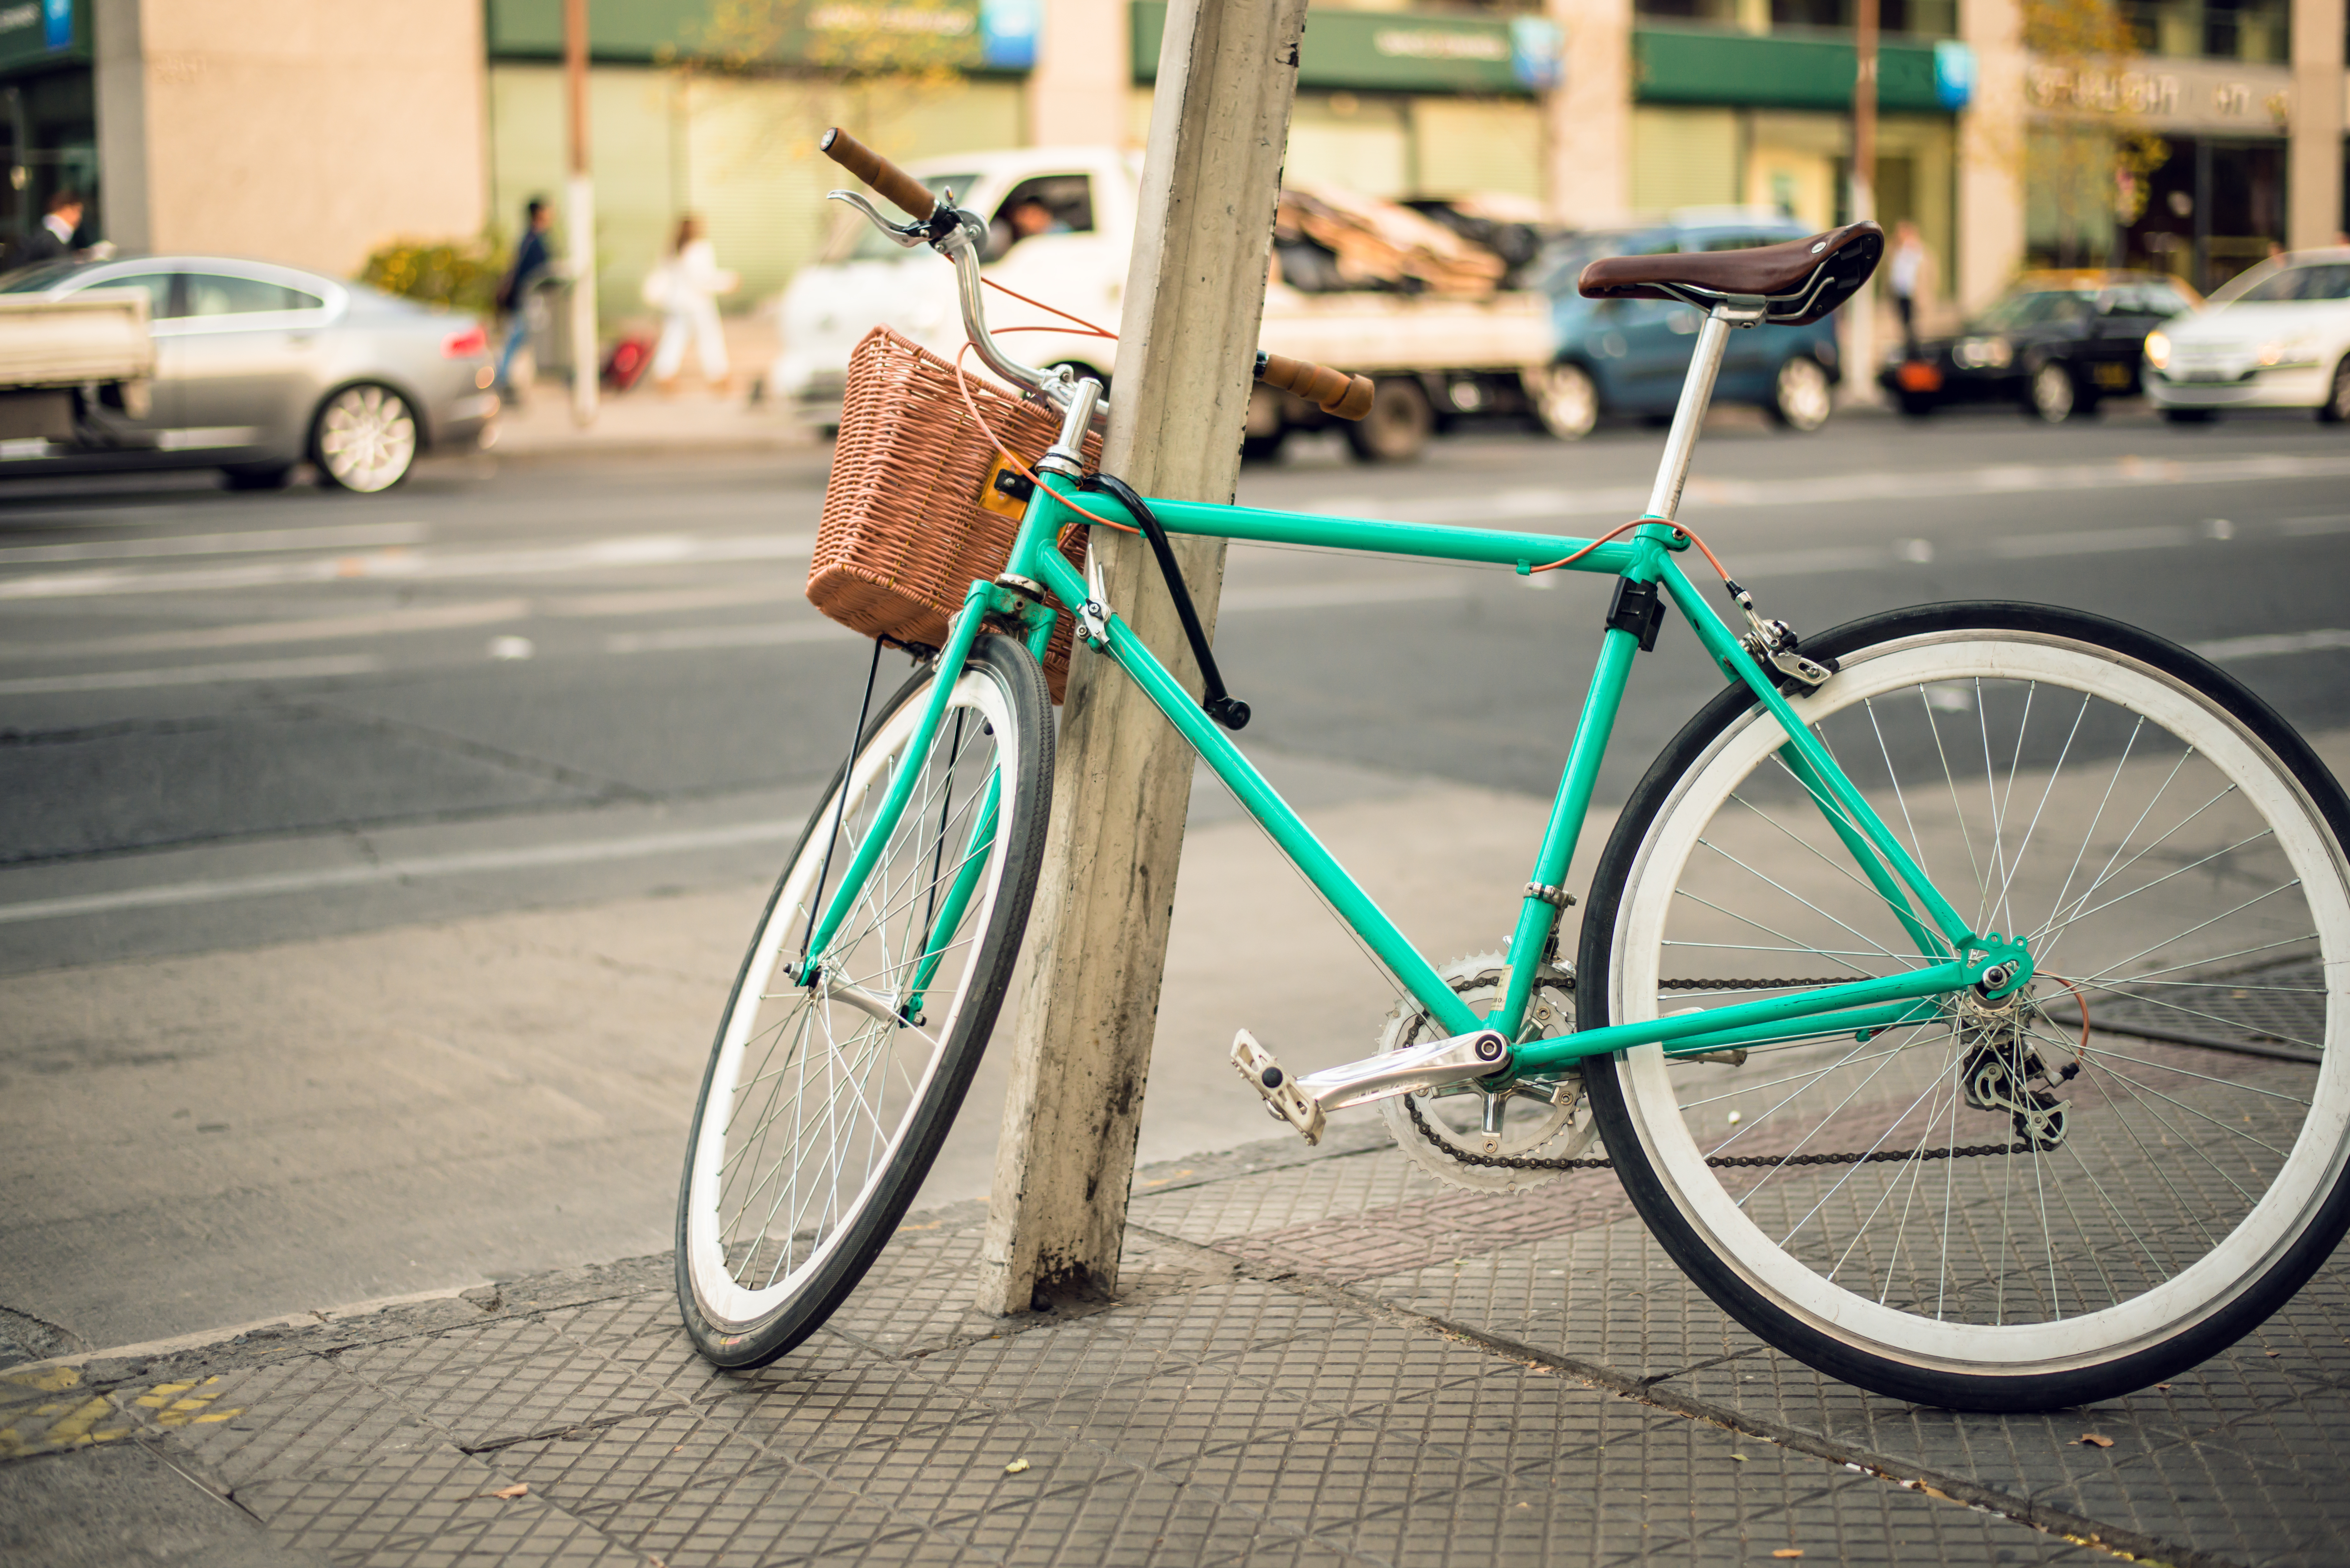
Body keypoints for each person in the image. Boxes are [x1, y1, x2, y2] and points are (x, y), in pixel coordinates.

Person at [645, 215, 737, 395]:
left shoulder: (673, 250)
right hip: (698, 304)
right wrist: (728, 283)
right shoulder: (700, 249)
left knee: (674, 339)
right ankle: (718, 376)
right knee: (710, 339)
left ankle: (665, 375)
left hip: (677, 303)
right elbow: (703, 279)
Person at [494, 197, 556, 399]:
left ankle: (505, 377)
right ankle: (501, 378)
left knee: (519, 338)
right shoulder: (535, 241)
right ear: (539, 214)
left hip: (526, 299)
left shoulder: (529, 239)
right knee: (516, 337)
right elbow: (534, 273)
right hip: (528, 299)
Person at [1887, 219, 1928, 359]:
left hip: (1913, 295)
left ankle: (1915, 355)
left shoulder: (1918, 252)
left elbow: (1925, 276)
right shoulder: (1896, 251)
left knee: (1914, 327)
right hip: (1900, 294)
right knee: (1903, 324)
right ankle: (1908, 353)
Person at [19, 189, 83, 267]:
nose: (79, 218)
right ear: (66, 209)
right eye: (78, 211)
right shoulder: (51, 239)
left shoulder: (43, 233)